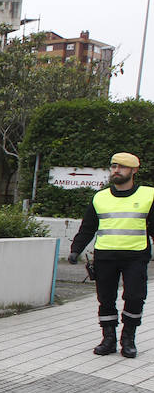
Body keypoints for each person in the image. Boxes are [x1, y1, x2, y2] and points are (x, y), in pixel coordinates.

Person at [67, 152, 154, 358]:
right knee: (105, 298)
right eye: (113, 166)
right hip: (105, 256)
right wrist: (76, 250)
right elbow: (88, 227)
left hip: (136, 256)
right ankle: (108, 339)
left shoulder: (148, 195)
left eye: (122, 167)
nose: (116, 170)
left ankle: (128, 338)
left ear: (133, 171)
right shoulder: (100, 197)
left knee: (134, 297)